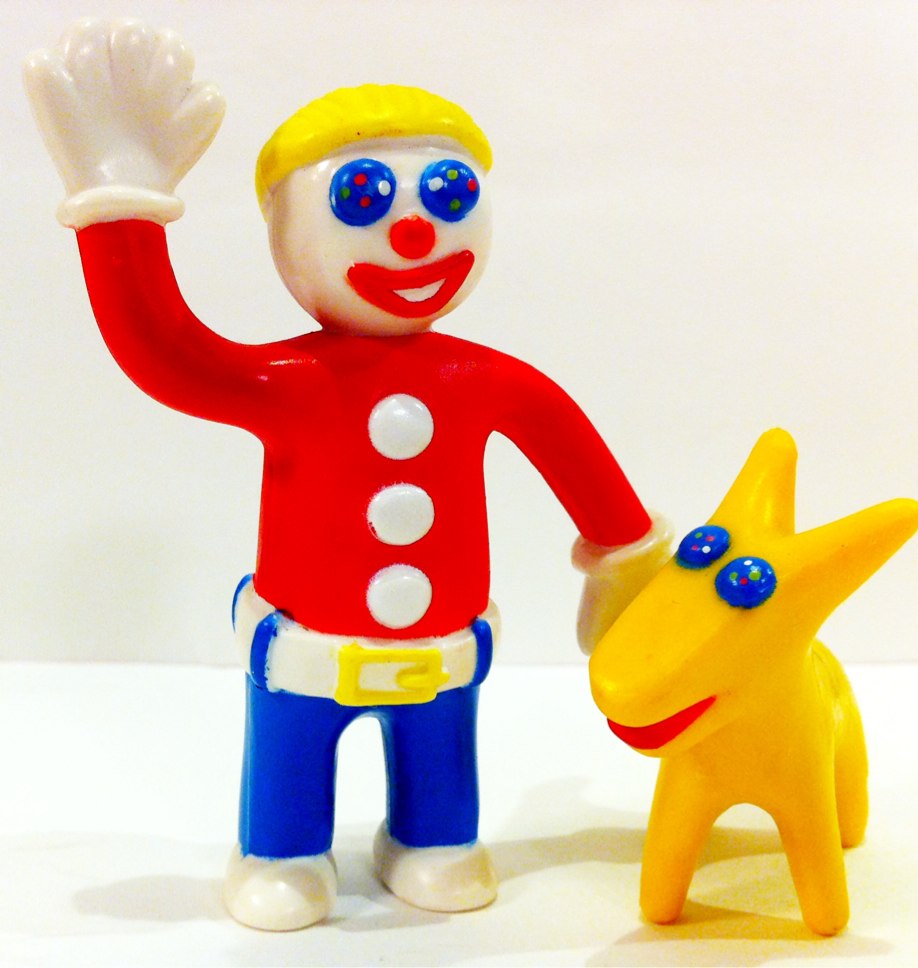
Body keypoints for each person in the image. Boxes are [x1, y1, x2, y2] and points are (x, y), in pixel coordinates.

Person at [25, 19, 672, 930]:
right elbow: (160, 349)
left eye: (448, 193)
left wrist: (633, 572)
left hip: (443, 654)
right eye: (362, 196)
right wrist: (118, 199)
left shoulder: (487, 382)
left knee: (441, 775)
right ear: (285, 230)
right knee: (289, 768)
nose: (412, 232)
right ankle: (281, 854)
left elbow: (587, 474)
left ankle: (434, 841)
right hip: (304, 648)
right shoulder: (286, 382)